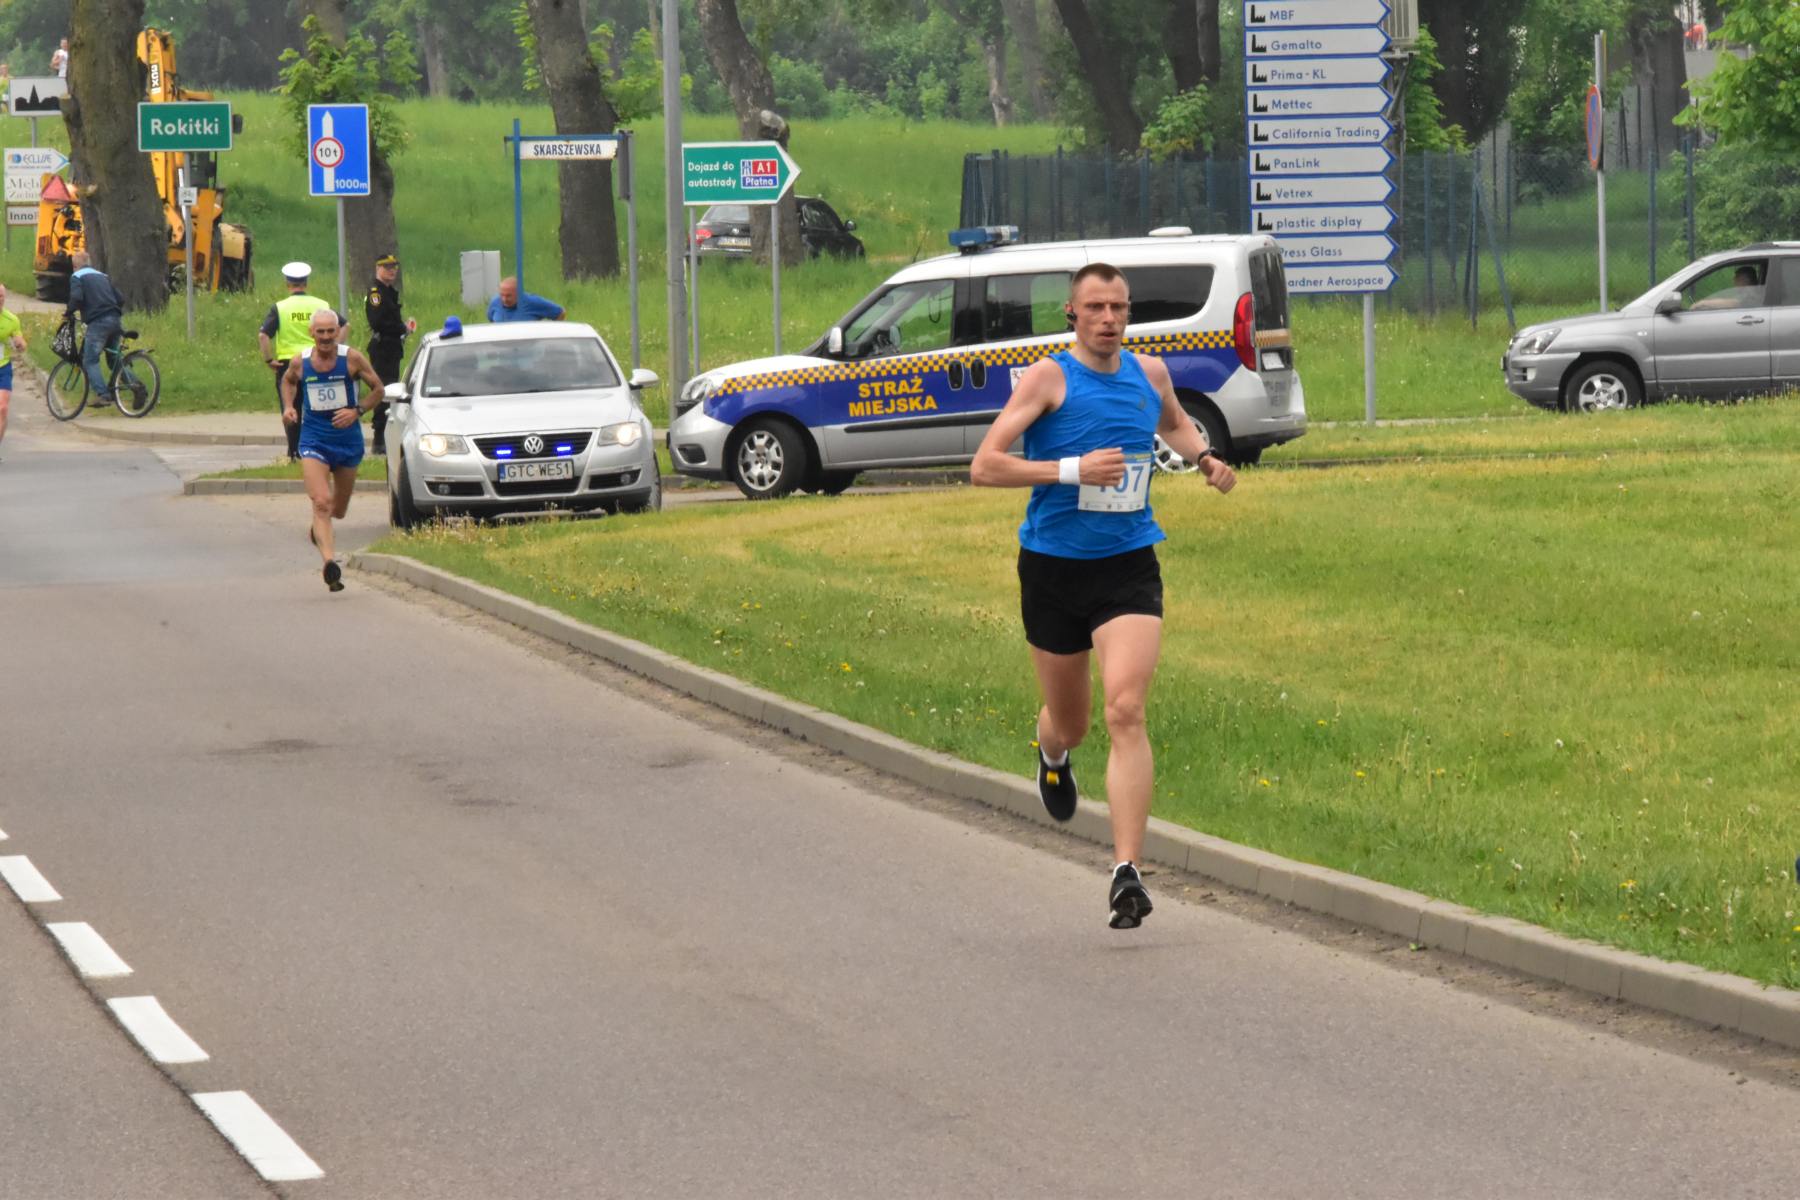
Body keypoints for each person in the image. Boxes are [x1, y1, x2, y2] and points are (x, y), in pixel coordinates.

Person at [970, 262, 1237, 930]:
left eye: (1118, 307)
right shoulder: (1048, 378)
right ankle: (1052, 754)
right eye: (1095, 307)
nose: (1109, 319)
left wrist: (1204, 459)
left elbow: (1175, 424)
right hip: (1053, 569)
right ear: (1072, 313)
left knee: (1126, 710)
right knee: (1074, 724)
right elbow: (985, 466)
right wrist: (1072, 470)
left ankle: (1127, 872)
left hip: (1128, 565)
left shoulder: (1150, 373)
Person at [281, 309, 384, 592]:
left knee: (338, 510)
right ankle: (330, 564)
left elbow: (378, 389)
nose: (326, 337)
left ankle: (318, 530)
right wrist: (289, 407)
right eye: (321, 332)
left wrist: (357, 411)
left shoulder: (351, 359)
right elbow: (288, 380)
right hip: (314, 440)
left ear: (338, 332)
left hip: (348, 442)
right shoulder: (300, 362)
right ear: (311, 333)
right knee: (321, 502)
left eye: (330, 331)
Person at [258, 262, 346, 461]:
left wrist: (269, 359)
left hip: (289, 364)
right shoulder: (321, 305)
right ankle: (324, 448)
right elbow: (345, 325)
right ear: (306, 283)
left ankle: (294, 452)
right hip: (317, 361)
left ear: (287, 283)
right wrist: (334, 347)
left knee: (291, 408)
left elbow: (263, 335)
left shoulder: (280, 307)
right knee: (322, 406)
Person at [363, 252, 415, 455]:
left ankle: (385, 437)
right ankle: (379, 439)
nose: (392, 270)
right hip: (383, 348)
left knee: (389, 389)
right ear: (378, 269)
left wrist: (403, 328)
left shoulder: (388, 291)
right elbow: (377, 322)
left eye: (394, 267)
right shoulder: (376, 293)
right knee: (383, 391)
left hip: (391, 348)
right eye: (387, 267)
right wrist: (401, 328)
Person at [66, 250, 124, 408]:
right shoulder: (103, 276)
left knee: (89, 360)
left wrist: (68, 313)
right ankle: (137, 387)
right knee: (113, 359)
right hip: (115, 320)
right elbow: (120, 299)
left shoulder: (77, 276)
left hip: (98, 322)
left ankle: (103, 394)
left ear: (75, 266)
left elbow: (76, 298)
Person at [0, 283, 27, 458]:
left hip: (3, 367)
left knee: (2, 408)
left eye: (1, 296)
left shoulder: (11, 320)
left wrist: (20, 344)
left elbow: (21, 342)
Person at [486, 276, 565, 323]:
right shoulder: (494, 303)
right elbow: (491, 320)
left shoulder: (533, 302)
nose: (504, 299)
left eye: (508, 296)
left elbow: (560, 313)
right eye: (502, 295)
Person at [1691, 265, 1763, 310]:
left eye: (1737, 278)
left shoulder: (1752, 294)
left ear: (1745, 280)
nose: (1734, 280)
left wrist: (1703, 303)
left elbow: (1734, 303)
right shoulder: (1755, 291)